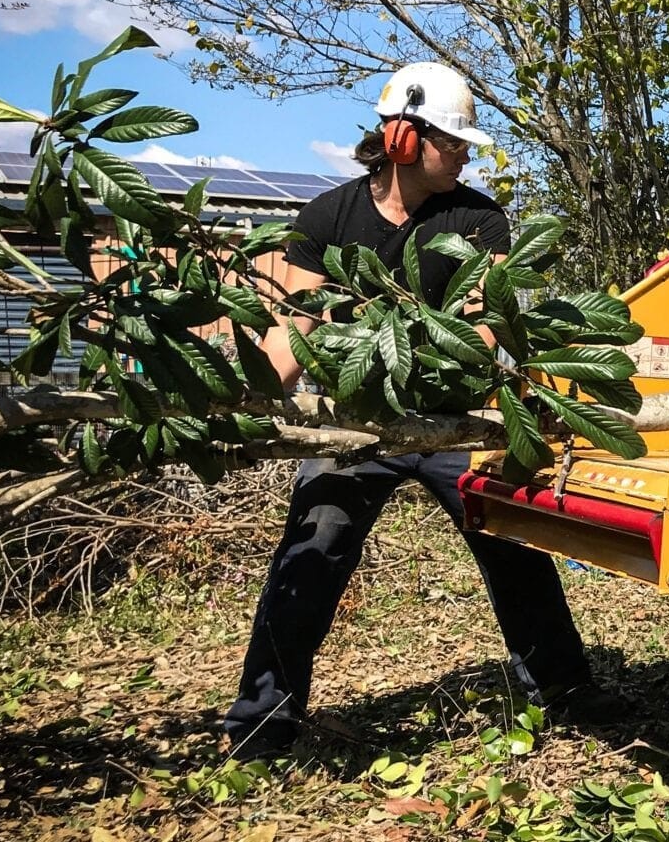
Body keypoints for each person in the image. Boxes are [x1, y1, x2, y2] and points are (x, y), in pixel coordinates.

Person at [224, 61, 619, 759]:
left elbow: (484, 324)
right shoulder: (328, 217)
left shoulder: (478, 218)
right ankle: (263, 722)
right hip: (358, 425)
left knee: (514, 549)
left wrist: (414, 342)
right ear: (404, 136)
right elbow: (295, 324)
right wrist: (243, 402)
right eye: (454, 139)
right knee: (312, 552)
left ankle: (566, 692)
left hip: (452, 421)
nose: (466, 151)